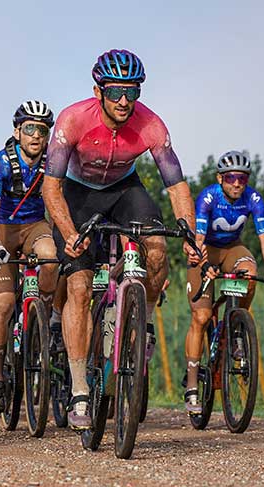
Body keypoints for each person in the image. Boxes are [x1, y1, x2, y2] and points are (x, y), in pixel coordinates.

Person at [43, 49, 197, 429]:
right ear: (99, 91)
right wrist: (69, 234)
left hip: (124, 188)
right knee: (79, 285)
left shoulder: (151, 126)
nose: (125, 101)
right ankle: (80, 389)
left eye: (133, 91)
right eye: (115, 92)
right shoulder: (72, 120)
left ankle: (141, 319)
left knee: (158, 247)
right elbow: (51, 188)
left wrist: (191, 235)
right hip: (77, 194)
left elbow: (176, 186)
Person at [183, 151, 264, 414]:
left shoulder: (253, 198)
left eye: (242, 178)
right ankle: (192, 385)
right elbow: (199, 237)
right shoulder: (208, 197)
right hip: (206, 250)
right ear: (220, 178)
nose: (237, 183)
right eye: (231, 178)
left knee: (249, 271)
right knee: (202, 317)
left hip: (232, 250)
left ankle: (237, 326)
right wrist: (204, 266)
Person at [0, 100, 59, 413]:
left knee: (51, 259)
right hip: (4, 228)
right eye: (29, 128)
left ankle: (45, 316)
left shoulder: (54, 162)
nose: (36, 136)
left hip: (35, 226)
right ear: (17, 131)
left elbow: (57, 204)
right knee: (2, 304)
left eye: (42, 130)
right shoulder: (0, 163)